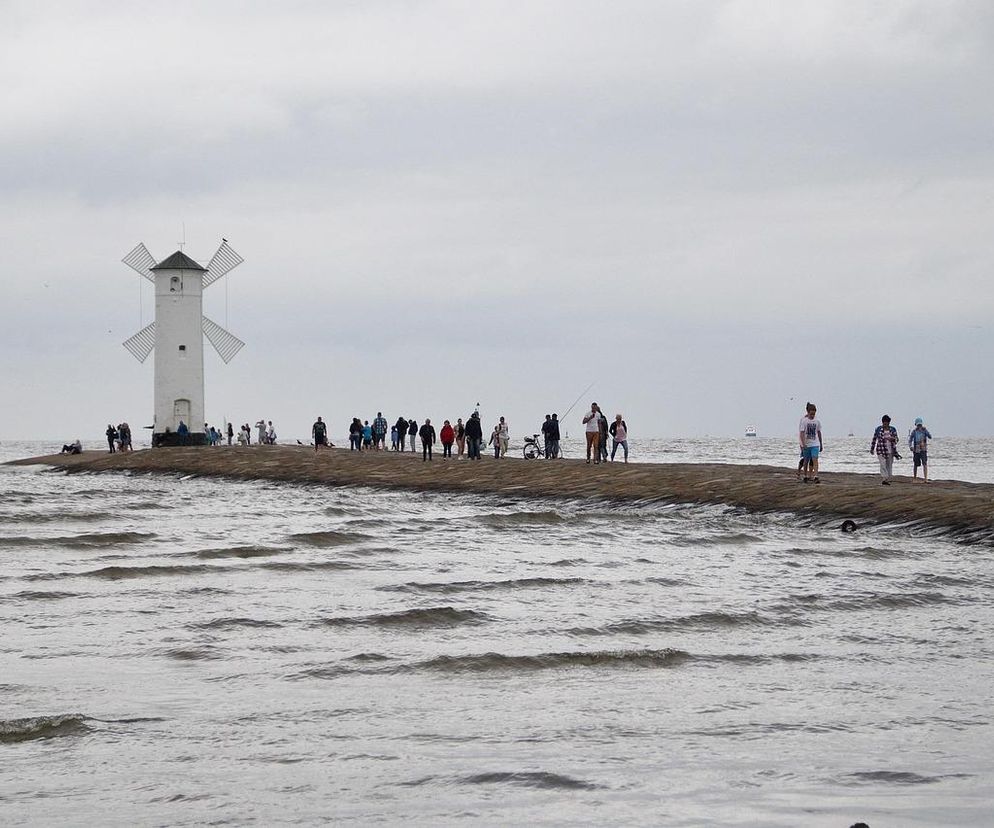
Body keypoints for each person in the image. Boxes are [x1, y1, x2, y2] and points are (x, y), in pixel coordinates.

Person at [870, 414, 900, 485]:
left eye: (887, 423)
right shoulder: (878, 429)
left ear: (889, 423)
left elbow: (897, 439)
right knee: (882, 464)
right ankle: (884, 478)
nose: (885, 424)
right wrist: (872, 448)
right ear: (882, 422)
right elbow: (874, 439)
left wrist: (892, 439)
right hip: (881, 449)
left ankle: (887, 478)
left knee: (889, 464)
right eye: (884, 423)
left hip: (890, 450)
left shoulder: (893, 429)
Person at [798, 402, 823, 483]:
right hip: (806, 444)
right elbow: (801, 433)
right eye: (811, 414)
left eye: (814, 414)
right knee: (806, 460)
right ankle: (805, 475)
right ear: (808, 412)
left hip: (815, 443)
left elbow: (819, 432)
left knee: (815, 459)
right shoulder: (804, 421)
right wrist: (803, 444)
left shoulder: (817, 421)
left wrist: (821, 443)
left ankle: (815, 476)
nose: (812, 415)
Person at [908, 417, 933, 483]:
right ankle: (914, 478)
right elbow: (910, 440)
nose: (919, 426)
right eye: (918, 425)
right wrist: (910, 446)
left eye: (920, 425)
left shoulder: (924, 431)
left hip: (923, 449)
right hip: (916, 450)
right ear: (916, 424)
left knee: (925, 463)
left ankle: (925, 479)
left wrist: (926, 431)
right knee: (915, 464)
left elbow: (930, 437)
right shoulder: (914, 431)